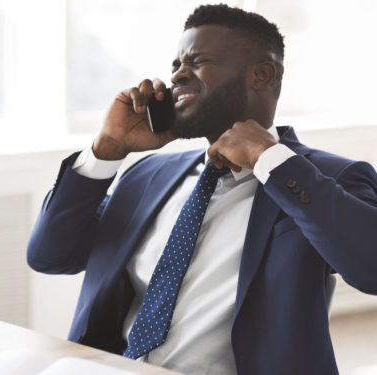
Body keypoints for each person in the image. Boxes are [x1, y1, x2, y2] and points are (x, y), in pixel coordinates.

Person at [26, 4, 377, 375]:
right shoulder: (148, 175)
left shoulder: (324, 176)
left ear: (261, 74)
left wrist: (270, 160)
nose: (178, 75)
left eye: (197, 61)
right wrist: (107, 149)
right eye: (176, 64)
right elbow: (51, 256)